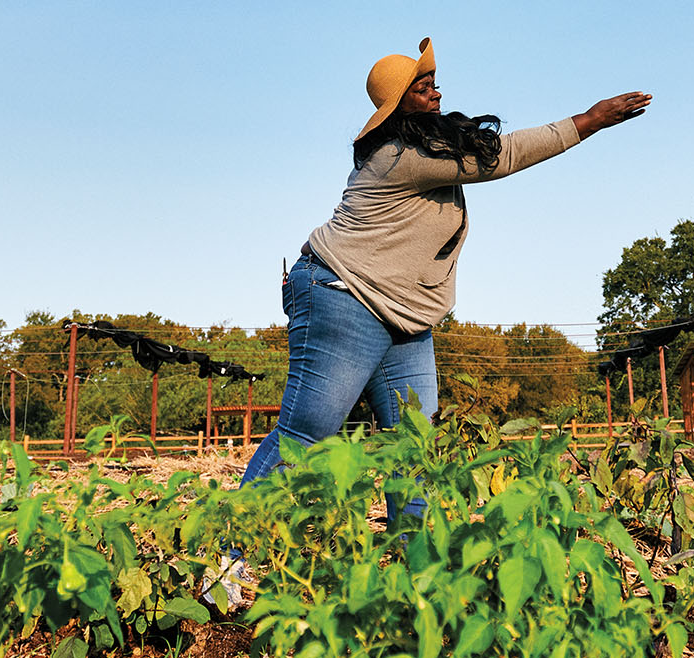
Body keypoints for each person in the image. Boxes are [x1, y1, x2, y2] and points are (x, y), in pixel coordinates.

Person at [240, 36, 651, 487]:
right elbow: (506, 155)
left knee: (417, 445)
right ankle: (229, 551)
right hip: (343, 295)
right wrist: (590, 120)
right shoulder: (401, 156)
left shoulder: (426, 150)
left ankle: (419, 557)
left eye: (435, 84)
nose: (436, 93)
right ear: (400, 105)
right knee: (307, 433)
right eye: (423, 88)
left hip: (402, 312)